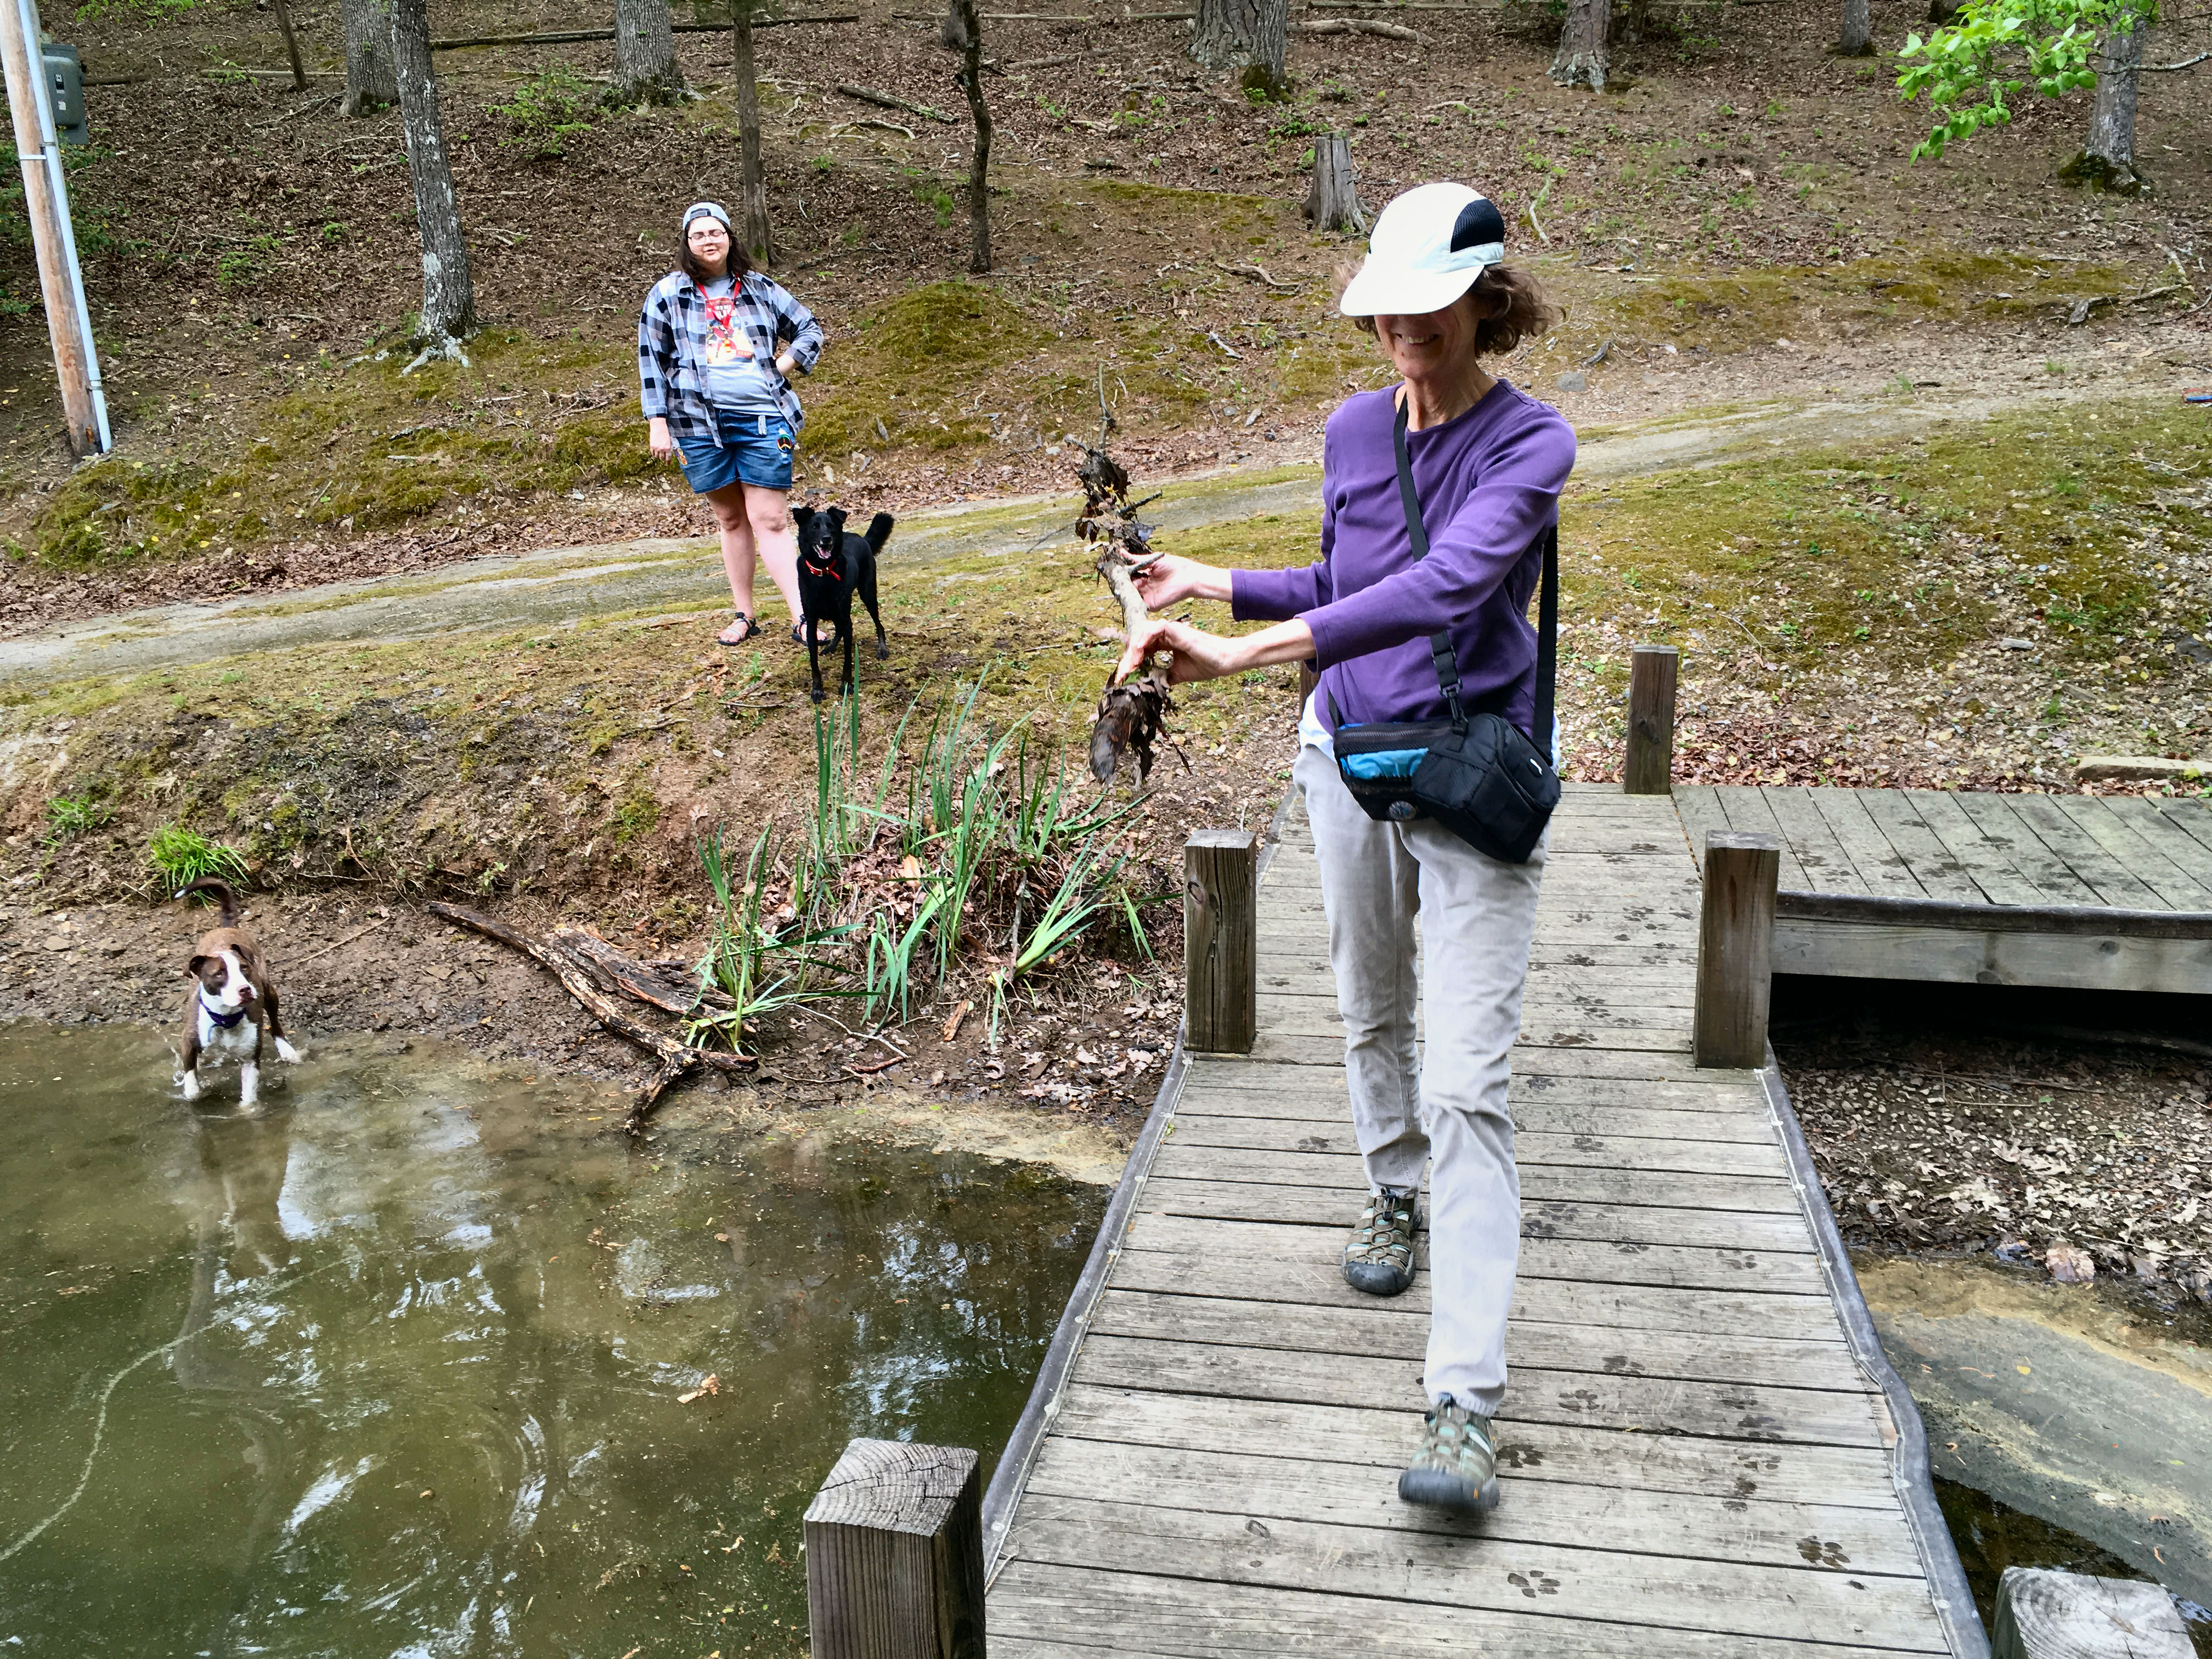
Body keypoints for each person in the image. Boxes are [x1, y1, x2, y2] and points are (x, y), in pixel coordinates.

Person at [1118, 182, 1573, 1515]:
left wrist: (1240, 655)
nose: (1402, 334)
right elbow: (1348, 581)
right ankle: (1393, 1190)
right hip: (1346, 755)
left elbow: (1447, 585)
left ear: (1484, 299)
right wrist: (1211, 583)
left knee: (1467, 1083)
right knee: (1370, 1005)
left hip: (1469, 775)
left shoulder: (1531, 445)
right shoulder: (1352, 431)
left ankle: (1462, 1403)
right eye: (1385, 312)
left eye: (1428, 309)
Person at [638, 201, 826, 647]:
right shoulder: (667, 294)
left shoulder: (759, 287)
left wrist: (783, 365)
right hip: (696, 424)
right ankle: (745, 614)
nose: (709, 240)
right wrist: (657, 423)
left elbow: (809, 328)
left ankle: (803, 617)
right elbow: (651, 363)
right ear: (687, 243)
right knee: (730, 518)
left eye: (716, 232)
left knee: (771, 519)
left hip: (763, 419)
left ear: (728, 237)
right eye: (699, 234)